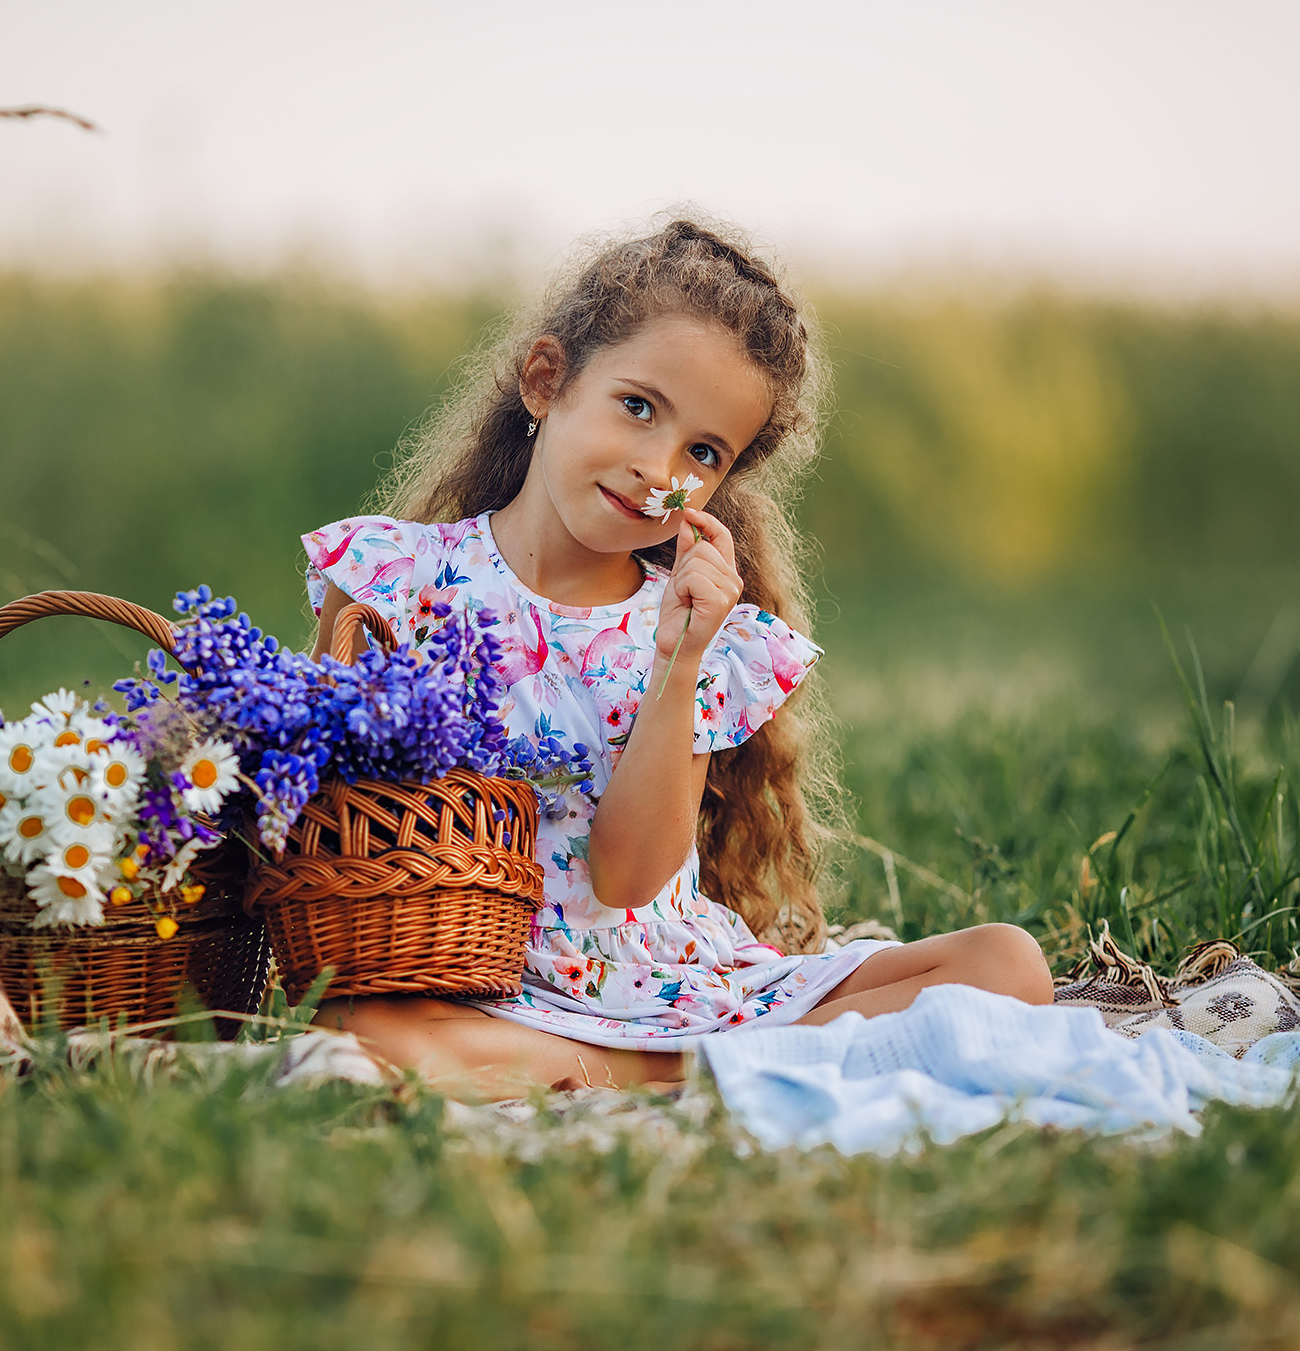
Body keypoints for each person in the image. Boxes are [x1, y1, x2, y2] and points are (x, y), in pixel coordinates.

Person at [305, 218, 1053, 1098]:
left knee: (1010, 962)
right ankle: (730, 1067)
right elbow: (321, 813)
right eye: (638, 407)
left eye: (703, 453)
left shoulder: (692, 632)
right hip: (483, 979)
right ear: (546, 382)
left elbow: (627, 877)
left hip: (664, 971)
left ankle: (668, 1065)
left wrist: (681, 656)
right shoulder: (394, 578)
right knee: (357, 1023)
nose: (658, 468)